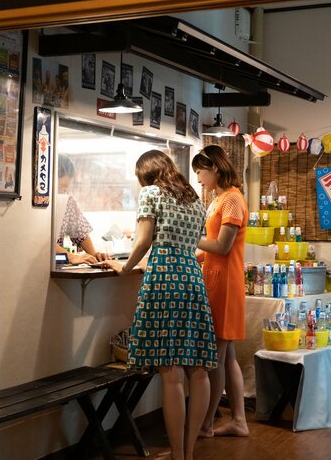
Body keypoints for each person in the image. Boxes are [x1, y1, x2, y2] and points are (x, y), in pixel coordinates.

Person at [104, 150, 217, 460]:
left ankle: (177, 455)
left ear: (147, 173)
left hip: (165, 280)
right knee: (199, 368)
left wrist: (123, 268)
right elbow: (194, 244)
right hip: (193, 280)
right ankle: (189, 452)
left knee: (170, 371)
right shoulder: (195, 199)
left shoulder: (151, 193)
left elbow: (142, 242)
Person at [192, 145, 249, 438]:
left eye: (200, 171)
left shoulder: (232, 200)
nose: (199, 178)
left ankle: (206, 423)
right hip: (217, 279)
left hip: (225, 284)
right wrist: (192, 255)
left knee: (215, 356)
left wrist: (189, 238)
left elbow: (223, 247)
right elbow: (213, 248)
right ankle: (238, 420)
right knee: (227, 357)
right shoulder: (219, 199)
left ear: (214, 167)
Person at [54, 154, 109, 265]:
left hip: (58, 264)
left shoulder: (67, 202)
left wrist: (95, 256)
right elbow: (41, 243)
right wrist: (71, 257)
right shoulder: (37, 203)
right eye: (61, 186)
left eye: (66, 187)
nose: (64, 191)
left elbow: (80, 232)